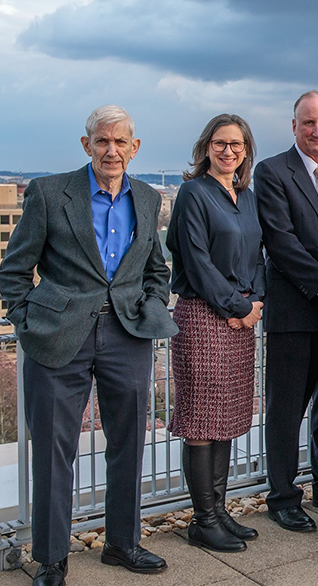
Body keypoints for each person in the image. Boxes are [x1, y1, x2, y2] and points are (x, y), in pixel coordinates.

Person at [0, 105, 178, 586]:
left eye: (121, 142)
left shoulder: (147, 197)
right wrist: (28, 323)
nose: (111, 150)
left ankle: (122, 544)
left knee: (128, 444)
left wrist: (151, 306)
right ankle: (51, 558)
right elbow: (14, 270)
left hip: (127, 334)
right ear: (87, 145)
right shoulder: (48, 192)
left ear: (134, 148)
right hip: (58, 338)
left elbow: (156, 269)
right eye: (102, 141)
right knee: (54, 451)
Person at [255, 91, 318, 530]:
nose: (317, 131)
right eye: (309, 122)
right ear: (294, 125)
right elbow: (280, 240)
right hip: (295, 312)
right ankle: (282, 496)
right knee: (286, 409)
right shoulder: (273, 171)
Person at [166, 114, 263, 552]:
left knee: (226, 418)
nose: (228, 151)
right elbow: (197, 262)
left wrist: (255, 303)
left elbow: (259, 257)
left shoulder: (247, 196)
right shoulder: (193, 193)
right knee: (202, 421)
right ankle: (203, 520)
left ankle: (219, 511)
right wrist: (239, 308)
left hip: (241, 318)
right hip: (204, 317)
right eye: (220, 143)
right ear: (207, 147)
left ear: (246, 151)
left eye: (236, 145)